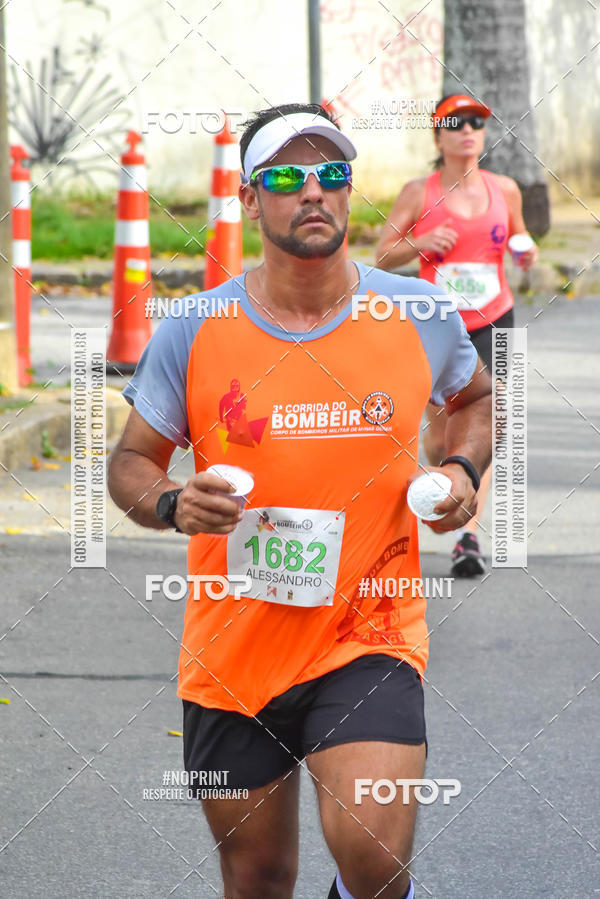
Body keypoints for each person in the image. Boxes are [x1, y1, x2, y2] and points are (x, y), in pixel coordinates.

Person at [108, 102, 492, 899]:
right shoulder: (196, 327)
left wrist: (460, 470)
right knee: (259, 876)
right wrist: (174, 503)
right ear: (251, 199)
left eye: (332, 175)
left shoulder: (417, 312)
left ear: (351, 193)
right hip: (233, 656)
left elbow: (475, 400)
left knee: (375, 856)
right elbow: (132, 463)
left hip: (370, 633)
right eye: (286, 176)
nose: (312, 191)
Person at [376, 93, 537, 577]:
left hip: (494, 319)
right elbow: (382, 255)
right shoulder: (417, 192)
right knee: (441, 437)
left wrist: (524, 254)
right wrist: (420, 243)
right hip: (435, 322)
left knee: (491, 420)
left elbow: (518, 237)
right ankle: (445, 480)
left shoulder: (505, 190)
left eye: (476, 123)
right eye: (456, 122)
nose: (468, 130)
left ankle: (467, 537)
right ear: (438, 136)